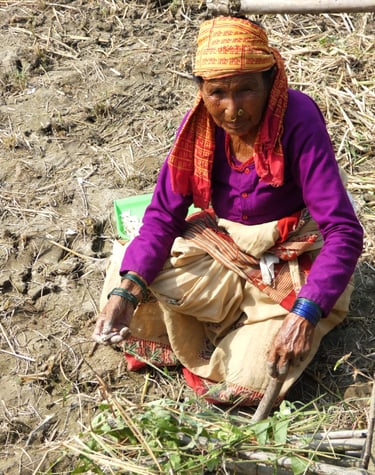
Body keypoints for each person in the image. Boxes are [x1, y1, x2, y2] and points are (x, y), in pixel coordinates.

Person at [92, 16, 363, 406]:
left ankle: (260, 325)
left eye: (246, 91)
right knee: (123, 274)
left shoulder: (299, 119)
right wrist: (127, 292)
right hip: (222, 246)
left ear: (270, 83)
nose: (232, 110)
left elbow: (344, 231)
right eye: (217, 92)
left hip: (286, 256)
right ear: (201, 90)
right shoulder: (198, 128)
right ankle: (221, 323)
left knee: (250, 381)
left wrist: (305, 314)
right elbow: (163, 216)